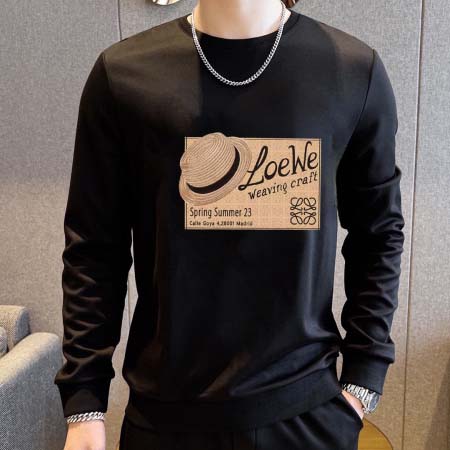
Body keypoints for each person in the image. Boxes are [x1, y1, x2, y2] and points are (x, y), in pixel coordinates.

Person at [54, 0, 405, 449]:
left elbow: (379, 234)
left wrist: (364, 377)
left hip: (306, 417)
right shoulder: (124, 76)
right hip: (166, 420)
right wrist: (85, 402)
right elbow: (94, 248)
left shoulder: (352, 71)